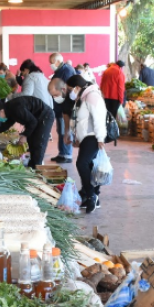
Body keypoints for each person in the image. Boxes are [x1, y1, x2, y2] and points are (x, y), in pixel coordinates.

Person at [54, 75, 108, 214]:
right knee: (89, 166)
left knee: (82, 164)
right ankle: (91, 194)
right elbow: (79, 119)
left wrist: (100, 138)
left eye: (71, 89)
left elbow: (98, 118)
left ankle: (91, 195)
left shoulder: (92, 96)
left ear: (77, 87)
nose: (69, 92)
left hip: (93, 136)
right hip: (85, 137)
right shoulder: (83, 97)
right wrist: (75, 136)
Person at [0, 96, 55, 169]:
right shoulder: (8, 109)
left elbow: (33, 122)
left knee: (38, 143)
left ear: (1, 111)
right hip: (35, 118)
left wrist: (24, 135)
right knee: (31, 142)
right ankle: (32, 167)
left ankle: (37, 170)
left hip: (45, 116)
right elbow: (9, 121)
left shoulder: (16, 108)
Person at [49, 53, 78, 163]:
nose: (51, 65)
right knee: (60, 130)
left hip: (65, 106)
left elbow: (65, 89)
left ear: (57, 61)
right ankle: (62, 153)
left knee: (65, 130)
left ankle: (67, 155)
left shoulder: (66, 70)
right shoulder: (61, 70)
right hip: (60, 106)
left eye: (51, 62)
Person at [100, 60, 126, 141]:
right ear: (121, 66)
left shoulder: (106, 71)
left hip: (105, 96)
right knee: (113, 117)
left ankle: (104, 134)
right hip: (115, 98)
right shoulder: (119, 72)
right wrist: (121, 100)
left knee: (105, 115)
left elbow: (101, 84)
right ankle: (111, 134)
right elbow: (120, 88)